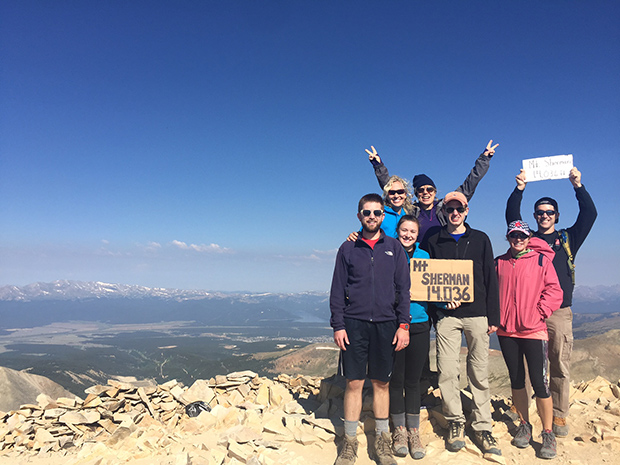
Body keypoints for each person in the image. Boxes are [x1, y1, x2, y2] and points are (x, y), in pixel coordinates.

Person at [505, 167, 597, 437]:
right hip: (528, 311)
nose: (544, 216)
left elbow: (589, 214)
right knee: (523, 362)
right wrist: (519, 189)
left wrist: (578, 186)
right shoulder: (526, 239)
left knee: (558, 361)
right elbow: (512, 216)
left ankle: (558, 414)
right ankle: (522, 410)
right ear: (534, 216)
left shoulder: (568, 238)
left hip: (558, 311)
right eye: (540, 213)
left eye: (549, 213)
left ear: (557, 216)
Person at [330, 193, 411, 465]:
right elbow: (337, 290)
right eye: (367, 213)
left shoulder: (394, 247)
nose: (372, 217)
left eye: (377, 213)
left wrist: (403, 325)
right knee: (353, 382)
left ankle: (382, 441)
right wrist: (338, 325)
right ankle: (349, 443)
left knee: (382, 383)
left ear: (383, 216)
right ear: (359, 216)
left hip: (387, 324)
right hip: (354, 323)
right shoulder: (347, 248)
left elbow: (404, 289)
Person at [423, 191, 501, 458]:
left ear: (467, 210)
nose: (455, 213)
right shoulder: (432, 239)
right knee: (447, 370)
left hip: (477, 314)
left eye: (459, 209)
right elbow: (427, 279)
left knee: (478, 372)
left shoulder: (480, 239)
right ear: (444, 212)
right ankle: (455, 421)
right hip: (447, 317)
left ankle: (481, 426)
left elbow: (490, 277)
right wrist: (439, 307)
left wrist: (494, 316)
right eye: (450, 209)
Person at [496, 220, 563, 459]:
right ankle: (525, 425)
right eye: (513, 235)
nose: (518, 239)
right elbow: (491, 292)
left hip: (533, 330)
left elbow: (555, 290)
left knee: (539, 382)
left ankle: (548, 433)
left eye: (522, 235)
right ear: (508, 237)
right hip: (507, 331)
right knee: (516, 380)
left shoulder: (541, 260)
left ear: (528, 237)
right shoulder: (499, 262)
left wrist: (541, 311)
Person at [366, 140, 499, 242]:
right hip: (417, 258)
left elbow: (469, 185)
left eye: (429, 189)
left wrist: (484, 159)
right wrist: (378, 166)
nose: (425, 192)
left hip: (441, 254)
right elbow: (394, 191)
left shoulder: (445, 207)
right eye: (421, 190)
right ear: (416, 194)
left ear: (435, 192)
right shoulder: (411, 210)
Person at [389, 215, 430, 459]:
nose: (408, 235)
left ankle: (414, 431)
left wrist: (448, 298)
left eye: (412, 231)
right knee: (396, 378)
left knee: (413, 380)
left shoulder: (424, 256)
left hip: (420, 321)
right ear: (398, 231)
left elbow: (435, 285)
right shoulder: (389, 252)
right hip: (394, 323)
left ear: (417, 234)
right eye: (404, 230)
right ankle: (399, 430)